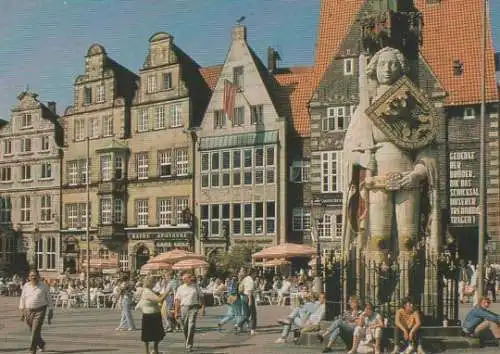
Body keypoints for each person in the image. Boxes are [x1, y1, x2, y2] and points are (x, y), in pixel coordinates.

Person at [19, 269, 53, 354]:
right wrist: (22, 311)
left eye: (35, 275)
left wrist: (51, 310)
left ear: (38, 276)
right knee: (34, 331)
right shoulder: (26, 286)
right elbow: (23, 298)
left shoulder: (43, 286)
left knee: (35, 331)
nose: (33, 277)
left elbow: (49, 299)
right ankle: (41, 344)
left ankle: (32, 350)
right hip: (28, 311)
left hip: (40, 310)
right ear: (29, 277)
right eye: (31, 276)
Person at [135, 277, 168, 354]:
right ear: (149, 283)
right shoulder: (147, 291)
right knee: (148, 336)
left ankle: (154, 350)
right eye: (153, 282)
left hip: (154, 314)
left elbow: (158, 297)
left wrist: (161, 293)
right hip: (150, 315)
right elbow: (159, 299)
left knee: (157, 335)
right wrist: (167, 291)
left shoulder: (150, 290)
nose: (154, 284)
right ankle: (148, 351)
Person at [174, 272, 205, 352]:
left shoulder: (195, 286)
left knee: (191, 325)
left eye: (186, 278)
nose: (184, 280)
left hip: (194, 307)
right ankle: (187, 340)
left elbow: (201, 296)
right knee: (185, 327)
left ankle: (189, 345)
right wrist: (176, 312)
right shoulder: (180, 288)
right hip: (184, 307)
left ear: (190, 278)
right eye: (183, 279)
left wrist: (203, 308)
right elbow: (177, 300)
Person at [237, 268, 257, 335]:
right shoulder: (250, 280)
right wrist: (250, 301)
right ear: (253, 273)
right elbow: (249, 291)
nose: (256, 275)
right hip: (249, 297)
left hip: (244, 297)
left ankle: (239, 324)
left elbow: (241, 289)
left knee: (247, 314)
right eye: (255, 273)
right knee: (253, 314)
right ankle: (253, 330)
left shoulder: (245, 278)